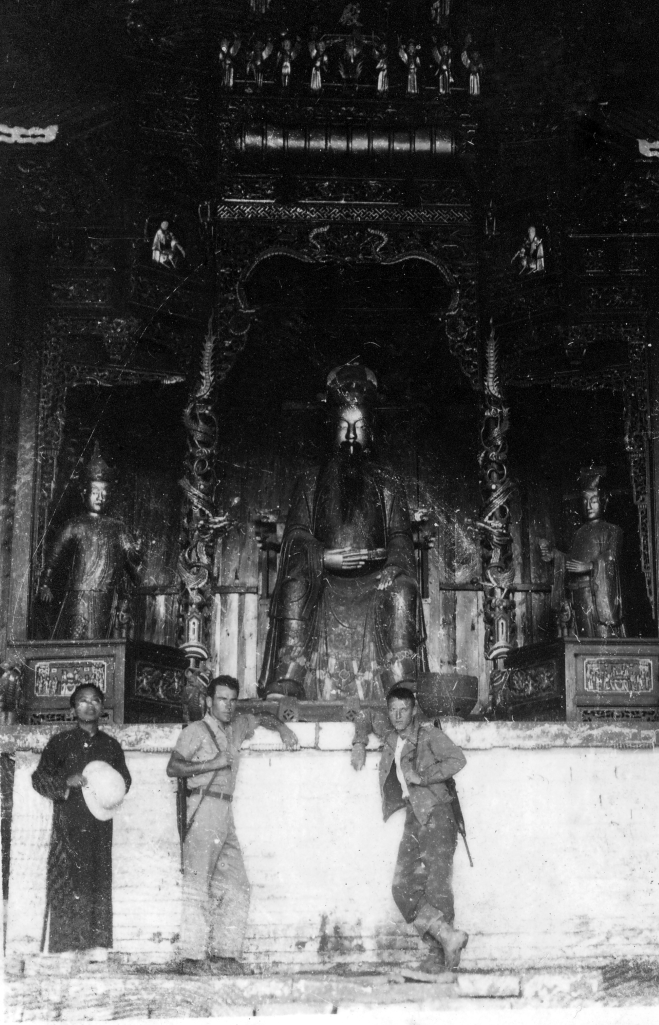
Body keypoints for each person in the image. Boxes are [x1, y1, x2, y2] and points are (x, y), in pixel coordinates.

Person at [261, 364, 420, 702]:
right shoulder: (310, 480)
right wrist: (322, 556)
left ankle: (400, 679)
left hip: (376, 579)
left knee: (404, 587)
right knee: (294, 581)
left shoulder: (388, 483)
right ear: (331, 429)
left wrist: (392, 566)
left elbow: (401, 538)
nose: (350, 436)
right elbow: (296, 537)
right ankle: (291, 675)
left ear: (371, 431)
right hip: (324, 579)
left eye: (359, 427)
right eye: (343, 426)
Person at [166, 675, 299, 974]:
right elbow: (173, 767)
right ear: (209, 702)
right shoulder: (196, 731)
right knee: (197, 884)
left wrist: (283, 728)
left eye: (233, 699)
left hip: (225, 812)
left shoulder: (237, 727)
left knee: (238, 885)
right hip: (202, 807)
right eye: (223, 699)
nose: (229, 705)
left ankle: (225, 955)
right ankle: (191, 959)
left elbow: (263, 717)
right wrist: (210, 764)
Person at [351, 686, 469, 977]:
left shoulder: (428, 734)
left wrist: (424, 776)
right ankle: (447, 938)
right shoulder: (392, 734)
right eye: (393, 710)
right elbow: (362, 712)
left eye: (404, 709)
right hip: (415, 816)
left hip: (438, 814)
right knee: (402, 887)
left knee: (436, 887)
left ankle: (439, 958)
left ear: (414, 709)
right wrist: (358, 741)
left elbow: (457, 759)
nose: (398, 715)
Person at [32, 683, 132, 955]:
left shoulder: (111, 746)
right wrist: (65, 782)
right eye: (83, 701)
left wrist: (109, 787)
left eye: (96, 700)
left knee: (98, 882)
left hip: (99, 827)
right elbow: (39, 779)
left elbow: (125, 780)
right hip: (68, 825)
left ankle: (96, 950)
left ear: (102, 707)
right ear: (73, 708)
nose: (90, 705)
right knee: (68, 881)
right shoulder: (60, 742)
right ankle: (65, 951)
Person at [39, 443, 142, 640]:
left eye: (104, 493)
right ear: (84, 492)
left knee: (100, 641)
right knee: (74, 640)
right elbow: (54, 556)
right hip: (78, 596)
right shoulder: (74, 525)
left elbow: (132, 559)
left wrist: (136, 549)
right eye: (95, 492)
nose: (100, 497)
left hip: (105, 597)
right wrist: (45, 583)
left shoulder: (118, 527)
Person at [540, 467, 625, 638]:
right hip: (578, 596)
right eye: (585, 501)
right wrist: (555, 556)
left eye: (593, 501)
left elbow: (611, 558)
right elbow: (571, 562)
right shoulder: (579, 533)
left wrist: (590, 566)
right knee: (583, 640)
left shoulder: (612, 531)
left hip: (598, 596)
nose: (588, 506)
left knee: (602, 638)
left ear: (603, 501)